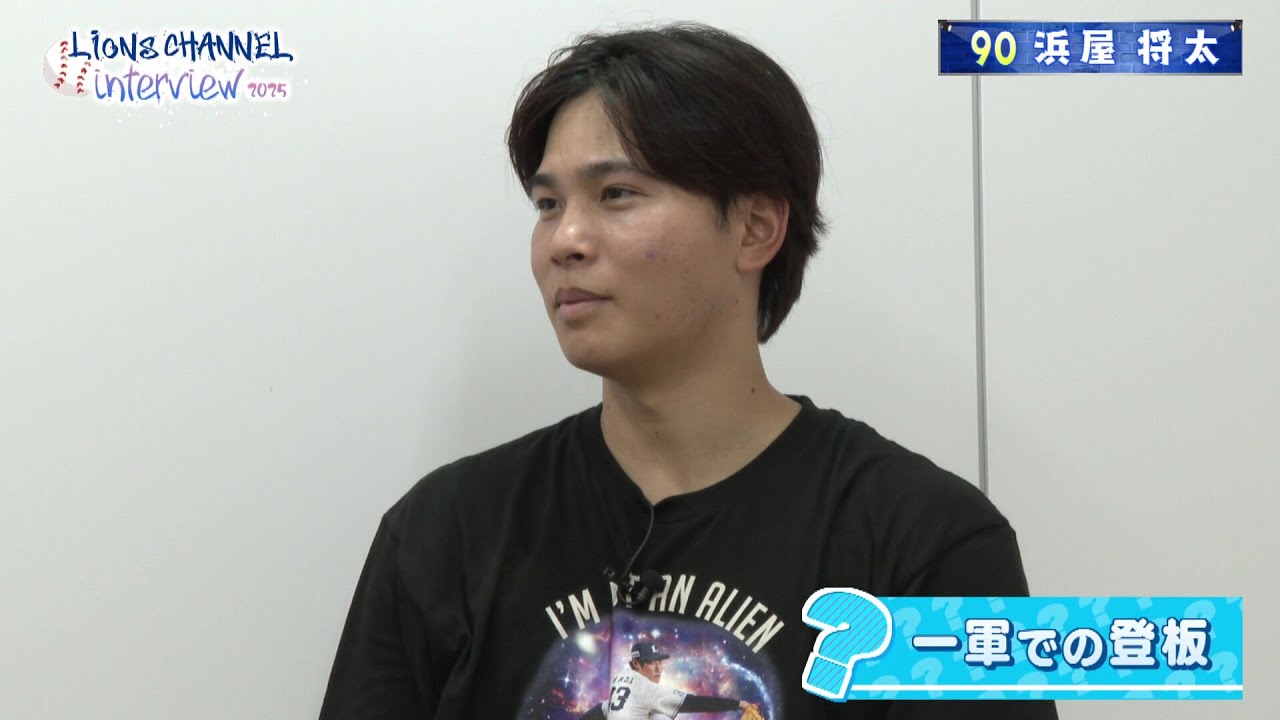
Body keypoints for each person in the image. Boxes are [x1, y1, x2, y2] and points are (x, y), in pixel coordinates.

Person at [319, 21, 1058, 719]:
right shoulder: (446, 532)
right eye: (548, 203)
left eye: (616, 194)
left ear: (756, 228)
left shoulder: (926, 544)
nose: (564, 239)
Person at [578, 643, 758, 719]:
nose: (658, 668)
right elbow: (694, 703)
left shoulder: (620, 681)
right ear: (636, 663)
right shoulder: (648, 689)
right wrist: (737, 704)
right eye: (651, 662)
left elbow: (602, 709)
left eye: (659, 662)